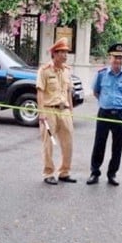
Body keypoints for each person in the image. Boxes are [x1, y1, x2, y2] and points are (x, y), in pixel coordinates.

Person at [87, 43, 122, 186]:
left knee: (117, 146)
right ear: (110, 58)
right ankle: (94, 172)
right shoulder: (101, 74)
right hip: (104, 113)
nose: (118, 61)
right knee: (99, 144)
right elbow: (96, 92)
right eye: (115, 57)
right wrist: (105, 102)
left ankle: (112, 174)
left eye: (121, 58)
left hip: (120, 114)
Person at [36, 37, 76, 185]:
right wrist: (41, 113)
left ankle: (64, 172)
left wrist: (71, 111)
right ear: (55, 54)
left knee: (68, 143)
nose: (65, 56)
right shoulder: (44, 70)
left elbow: (68, 92)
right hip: (49, 111)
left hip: (64, 110)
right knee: (49, 143)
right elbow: (40, 92)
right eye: (62, 52)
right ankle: (48, 173)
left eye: (66, 53)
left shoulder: (67, 71)